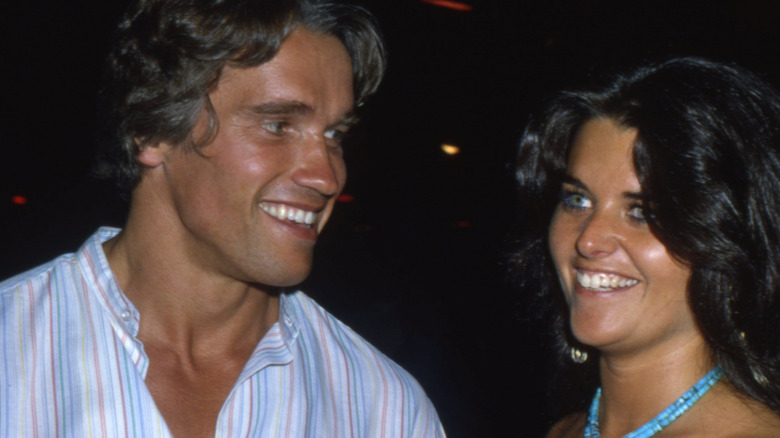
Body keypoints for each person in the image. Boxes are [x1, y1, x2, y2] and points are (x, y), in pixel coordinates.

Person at [0, 1, 445, 436]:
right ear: (152, 129)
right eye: (278, 125)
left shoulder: (383, 408)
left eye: (334, 134)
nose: (327, 175)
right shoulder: (12, 351)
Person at [514, 57, 780, 437]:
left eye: (641, 211)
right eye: (577, 200)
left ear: (729, 241)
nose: (588, 240)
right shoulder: (565, 430)